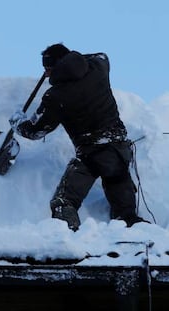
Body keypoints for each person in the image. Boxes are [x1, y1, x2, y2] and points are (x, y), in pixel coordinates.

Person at [9, 43, 148, 231]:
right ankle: (135, 237)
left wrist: (18, 123)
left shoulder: (56, 96)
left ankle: (69, 239)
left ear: (55, 67)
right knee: (126, 213)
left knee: (64, 202)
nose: (46, 74)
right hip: (119, 149)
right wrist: (74, 59)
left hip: (91, 155)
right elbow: (101, 55)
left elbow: (36, 130)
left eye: (47, 69)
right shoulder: (99, 68)